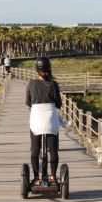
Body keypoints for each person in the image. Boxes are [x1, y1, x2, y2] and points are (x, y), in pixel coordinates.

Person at [25, 56, 62, 185]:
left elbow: (28, 102)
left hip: (36, 117)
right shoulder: (53, 84)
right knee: (53, 150)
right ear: (49, 68)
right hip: (51, 118)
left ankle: (36, 178)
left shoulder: (31, 83)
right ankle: (52, 176)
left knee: (35, 149)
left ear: (37, 69)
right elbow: (59, 104)